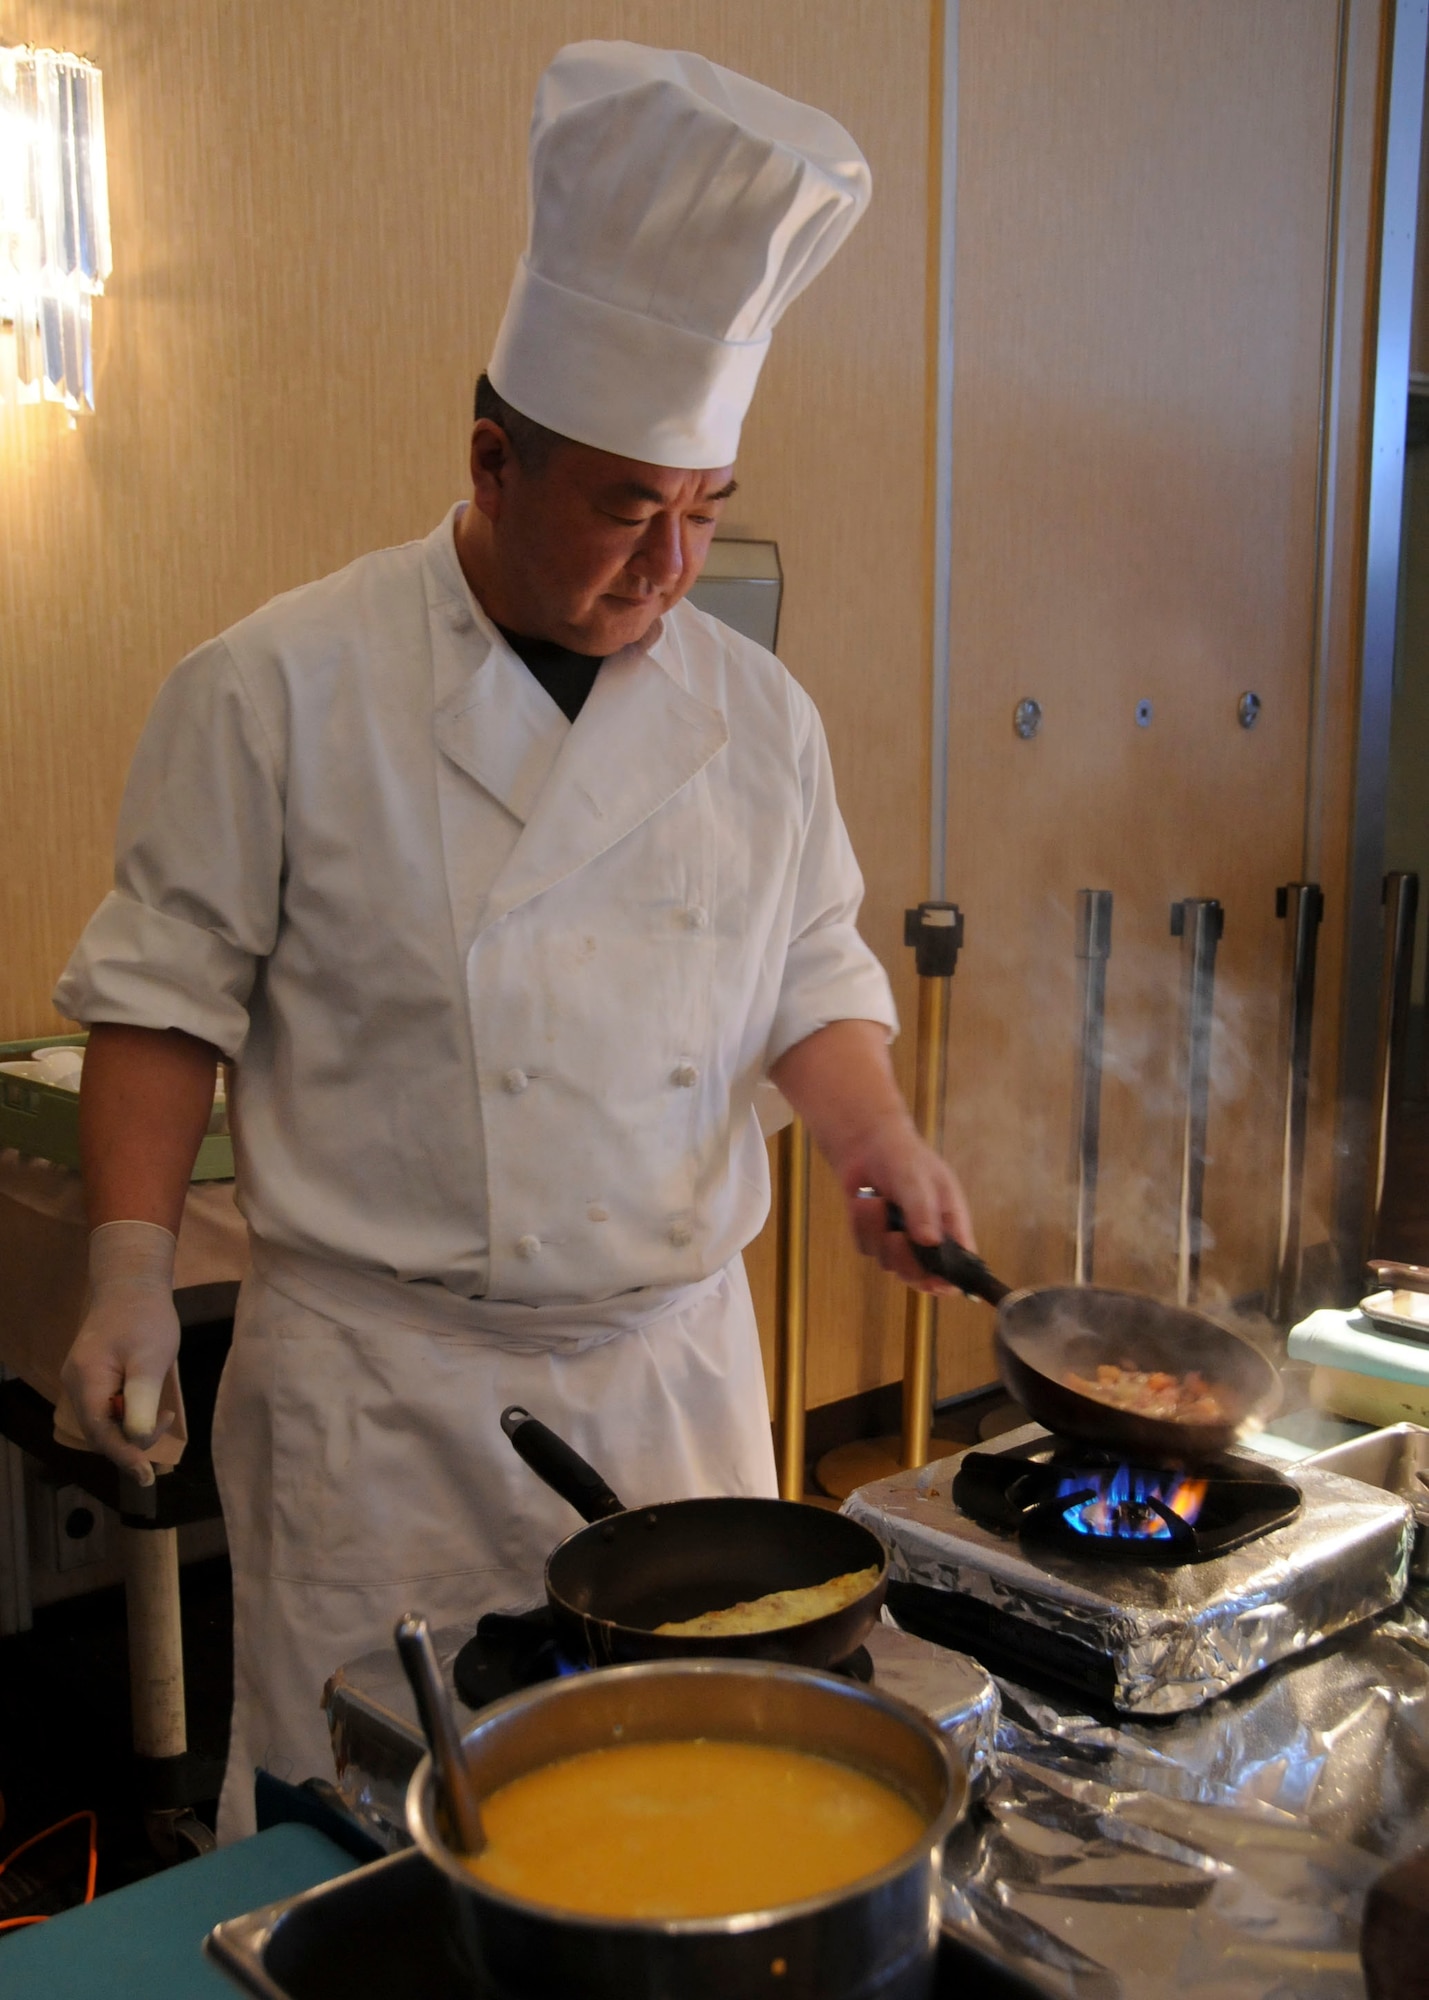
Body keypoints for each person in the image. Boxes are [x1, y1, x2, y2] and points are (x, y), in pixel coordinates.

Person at [53, 40, 973, 1842]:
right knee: (383, 1841)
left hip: (676, 1395)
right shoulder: (278, 688)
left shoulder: (755, 717)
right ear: (493, 456)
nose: (672, 567)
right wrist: (126, 1265)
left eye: (703, 510)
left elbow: (809, 973)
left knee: (702, 1819)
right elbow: (163, 1001)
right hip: (392, 1400)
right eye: (631, 507)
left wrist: (874, 1139)